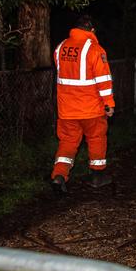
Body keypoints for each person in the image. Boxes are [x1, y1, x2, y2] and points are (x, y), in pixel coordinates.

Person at [50, 15, 115, 193]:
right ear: (92, 30)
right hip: (91, 109)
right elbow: (103, 81)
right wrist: (109, 104)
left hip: (67, 110)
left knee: (67, 142)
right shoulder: (95, 50)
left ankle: (59, 175)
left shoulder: (60, 47)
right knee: (96, 139)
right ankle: (97, 176)